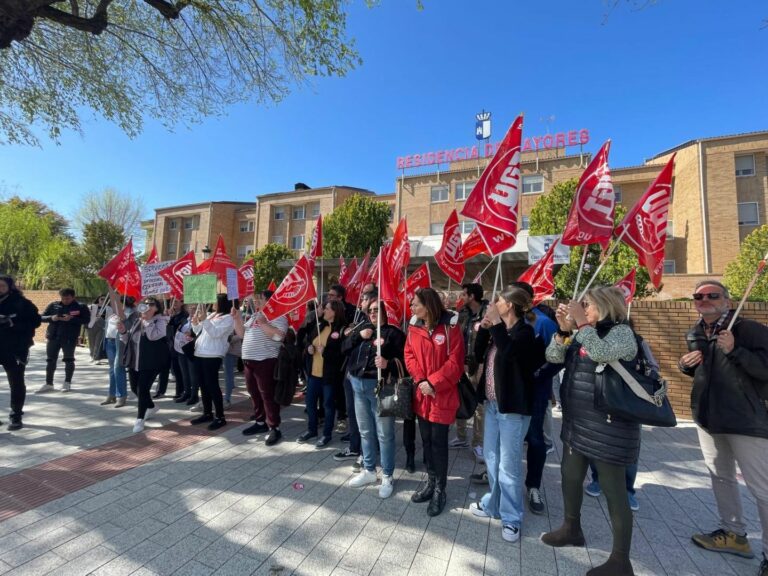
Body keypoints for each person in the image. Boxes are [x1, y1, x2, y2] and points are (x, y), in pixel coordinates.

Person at [541, 286, 639, 576]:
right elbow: (553, 357)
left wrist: (581, 324)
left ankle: (621, 560)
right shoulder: (584, 332)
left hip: (608, 426)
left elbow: (600, 353)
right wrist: (563, 331)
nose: (582, 309)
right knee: (570, 477)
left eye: (587, 304)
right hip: (578, 422)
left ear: (605, 306)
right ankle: (571, 528)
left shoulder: (622, 333)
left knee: (614, 490)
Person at [678, 280, 768, 575]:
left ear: (727, 302)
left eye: (712, 295)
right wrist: (685, 365)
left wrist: (735, 350)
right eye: (698, 296)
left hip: (745, 420)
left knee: (762, 489)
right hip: (709, 418)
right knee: (721, 477)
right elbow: (706, 372)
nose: (704, 300)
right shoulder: (695, 332)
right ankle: (733, 534)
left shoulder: (748, 330)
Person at [468, 287, 538, 543]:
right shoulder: (499, 332)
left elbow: (510, 355)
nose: (493, 304)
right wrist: (484, 330)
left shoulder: (524, 333)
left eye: (498, 300)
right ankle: (493, 504)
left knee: (508, 466)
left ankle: (511, 518)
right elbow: (477, 357)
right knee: (492, 458)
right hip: (493, 406)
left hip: (512, 410)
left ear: (509, 305)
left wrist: (496, 327)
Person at [404, 287, 464, 517]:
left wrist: (433, 383)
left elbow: (455, 362)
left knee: (439, 444)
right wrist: (421, 380)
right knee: (427, 441)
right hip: (422, 395)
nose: (412, 307)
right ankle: (430, 483)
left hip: (442, 395)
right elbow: (409, 355)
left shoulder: (450, 327)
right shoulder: (414, 326)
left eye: (415, 304)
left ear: (428, 305)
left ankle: (440, 489)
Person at [344, 299, 406, 498]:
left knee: (384, 434)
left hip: (382, 387)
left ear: (384, 312)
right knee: (365, 431)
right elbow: (343, 348)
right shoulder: (362, 328)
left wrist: (388, 363)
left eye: (376, 309)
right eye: (369, 310)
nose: (372, 313)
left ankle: (387, 475)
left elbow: (406, 360)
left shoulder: (394, 334)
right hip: (358, 385)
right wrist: (357, 336)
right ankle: (369, 470)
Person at [234, 290, 288, 446]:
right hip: (249, 362)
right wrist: (237, 319)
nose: (257, 301)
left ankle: (274, 427)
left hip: (265, 361)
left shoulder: (278, 316)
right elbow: (241, 334)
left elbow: (279, 336)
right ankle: (260, 422)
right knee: (254, 393)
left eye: (260, 299)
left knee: (267, 395)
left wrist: (264, 324)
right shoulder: (255, 316)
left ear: (270, 301)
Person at [298, 299, 347, 447]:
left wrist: (326, 351)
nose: (324, 311)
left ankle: (326, 434)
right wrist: (309, 348)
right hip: (314, 373)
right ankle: (312, 430)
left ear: (335, 312)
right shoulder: (320, 325)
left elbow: (342, 353)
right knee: (310, 403)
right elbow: (308, 340)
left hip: (329, 376)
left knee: (328, 405)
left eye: (327, 308)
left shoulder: (341, 330)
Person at [119, 297, 168, 433]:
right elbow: (129, 340)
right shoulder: (137, 320)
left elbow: (154, 336)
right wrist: (123, 331)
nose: (147, 306)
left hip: (151, 361)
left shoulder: (161, 321)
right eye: (145, 304)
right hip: (135, 360)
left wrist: (148, 320)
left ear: (156, 308)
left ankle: (140, 419)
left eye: (151, 304)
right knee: (134, 388)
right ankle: (151, 406)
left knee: (142, 389)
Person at [451, 283, 488, 460]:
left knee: (479, 406)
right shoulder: (462, 313)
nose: (461, 297)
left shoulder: (487, 313)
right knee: (461, 399)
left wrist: (482, 364)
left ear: (472, 296)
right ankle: (461, 437)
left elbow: (490, 342)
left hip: (480, 366)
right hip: (462, 365)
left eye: (464, 294)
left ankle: (478, 443)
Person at [0, 275, 41, 430]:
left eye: (2, 286)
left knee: (16, 382)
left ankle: (16, 416)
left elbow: (36, 321)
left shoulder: (22, 303)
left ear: (10, 287)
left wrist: (12, 323)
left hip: (15, 349)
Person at [191, 294, 234, 431]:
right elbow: (198, 331)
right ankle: (207, 413)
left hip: (213, 354)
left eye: (215, 301)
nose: (213, 302)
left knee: (212, 385)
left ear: (222, 303)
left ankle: (220, 416)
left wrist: (204, 320)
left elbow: (215, 333)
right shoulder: (211, 315)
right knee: (203, 385)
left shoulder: (229, 318)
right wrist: (195, 322)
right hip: (200, 352)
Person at [37, 288, 90, 393]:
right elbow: (41, 317)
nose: (65, 300)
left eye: (67, 298)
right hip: (53, 337)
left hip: (69, 338)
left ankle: (67, 383)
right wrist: (52, 318)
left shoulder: (80, 307)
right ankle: (49, 383)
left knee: (69, 360)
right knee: (50, 360)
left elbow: (86, 320)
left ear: (73, 297)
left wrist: (72, 319)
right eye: (63, 298)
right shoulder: (54, 305)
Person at [103, 291, 135, 407]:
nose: (113, 302)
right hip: (109, 342)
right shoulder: (113, 312)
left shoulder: (130, 312)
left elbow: (128, 325)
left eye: (116, 300)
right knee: (112, 369)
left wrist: (112, 292)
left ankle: (121, 395)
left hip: (121, 343)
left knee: (118, 368)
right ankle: (111, 394)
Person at [165, 299, 189, 402]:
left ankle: (184, 391)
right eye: (172, 302)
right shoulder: (170, 315)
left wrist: (172, 318)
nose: (174, 303)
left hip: (180, 345)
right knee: (176, 370)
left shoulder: (184, 315)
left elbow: (182, 327)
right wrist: (168, 317)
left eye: (176, 301)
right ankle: (179, 391)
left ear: (182, 303)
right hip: (171, 346)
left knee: (182, 370)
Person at [86, 295, 109, 364]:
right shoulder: (91, 306)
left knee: (98, 343)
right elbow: (85, 315)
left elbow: (109, 318)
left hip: (102, 327)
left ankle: (96, 358)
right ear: (98, 299)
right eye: (101, 299)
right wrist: (89, 313)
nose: (103, 300)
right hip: (92, 326)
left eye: (105, 299)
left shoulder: (108, 308)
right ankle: (92, 355)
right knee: (91, 342)